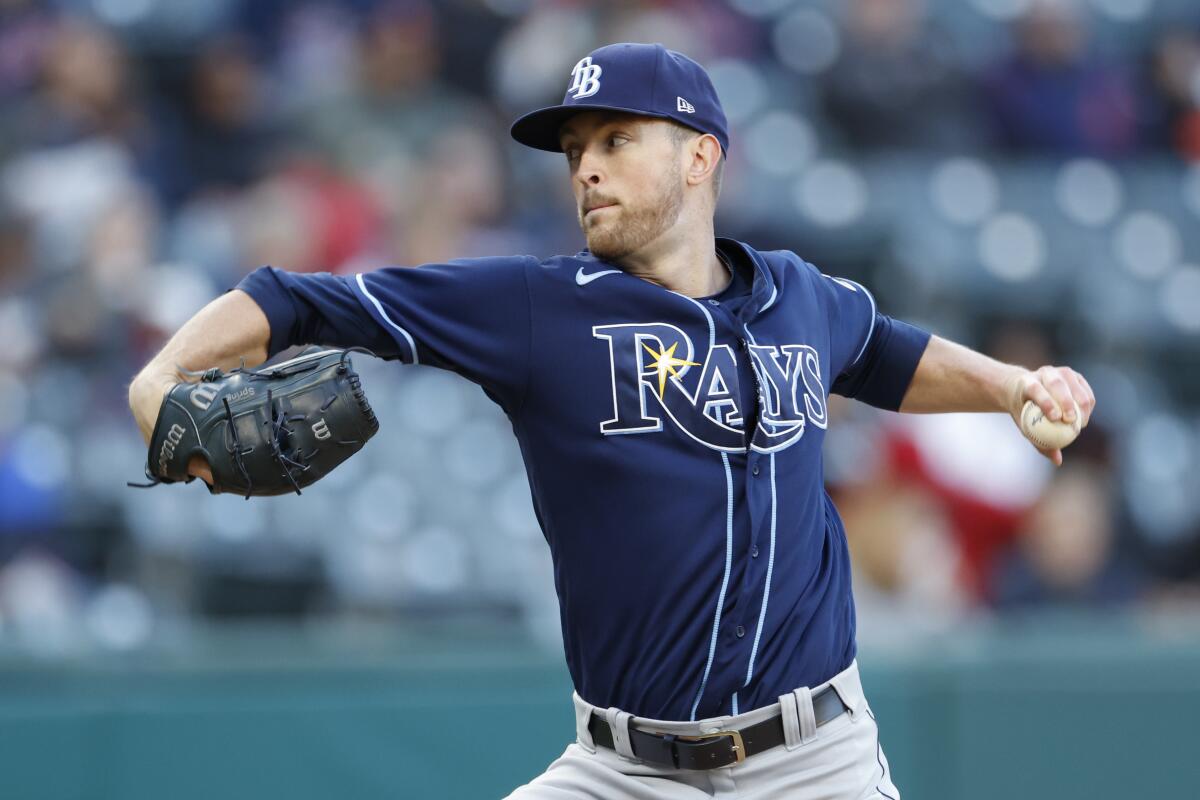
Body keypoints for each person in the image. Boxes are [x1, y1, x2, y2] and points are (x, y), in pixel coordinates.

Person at [128, 43, 1095, 799]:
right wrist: (164, 374)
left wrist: (1013, 387)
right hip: (622, 771)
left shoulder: (802, 297)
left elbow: (888, 354)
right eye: (577, 150)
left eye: (617, 140)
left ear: (701, 156)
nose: (586, 168)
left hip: (816, 765)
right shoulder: (541, 308)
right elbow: (297, 298)